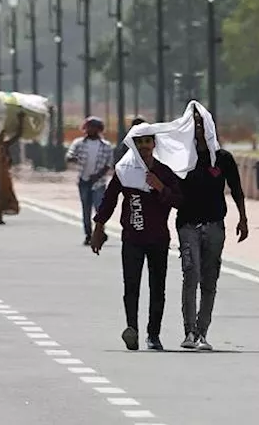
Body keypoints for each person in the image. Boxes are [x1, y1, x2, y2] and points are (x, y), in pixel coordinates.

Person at [91, 129, 181, 352]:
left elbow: (180, 200)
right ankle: (132, 329)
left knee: (157, 288)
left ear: (154, 144)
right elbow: (109, 199)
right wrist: (98, 227)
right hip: (132, 238)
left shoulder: (164, 171)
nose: (143, 146)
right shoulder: (124, 171)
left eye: (147, 141)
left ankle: (153, 335)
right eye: (139, 142)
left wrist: (160, 186)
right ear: (133, 145)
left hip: (159, 239)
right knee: (131, 287)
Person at [175, 102, 248, 351]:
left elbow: (236, 189)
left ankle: (203, 332)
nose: (197, 127)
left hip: (215, 225)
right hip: (188, 224)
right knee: (190, 274)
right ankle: (189, 331)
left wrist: (243, 218)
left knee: (209, 280)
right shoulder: (182, 158)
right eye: (193, 123)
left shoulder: (223, 158)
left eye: (201, 122)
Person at [66, 117, 115, 246]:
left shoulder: (106, 146)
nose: (90, 129)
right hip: (84, 181)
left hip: (99, 183)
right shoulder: (79, 143)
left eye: (93, 127)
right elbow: (70, 155)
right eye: (88, 127)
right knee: (86, 209)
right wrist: (73, 158)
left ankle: (100, 232)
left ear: (99, 129)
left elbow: (109, 164)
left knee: (100, 209)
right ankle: (88, 234)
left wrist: (98, 176)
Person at [0, 112, 26, 224]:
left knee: (3, 192)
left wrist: (20, 120)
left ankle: (0, 215)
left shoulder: (4, 145)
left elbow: (18, 135)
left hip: (2, 175)